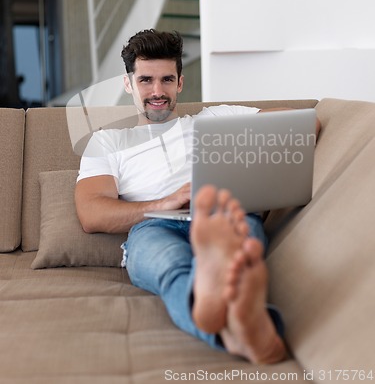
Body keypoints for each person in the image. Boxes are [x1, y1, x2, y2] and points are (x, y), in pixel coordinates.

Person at [75, 29, 316, 363]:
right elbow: (91, 213)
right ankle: (243, 327)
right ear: (128, 83)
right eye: (145, 80)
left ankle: (228, 321)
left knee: (230, 257)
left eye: (166, 80)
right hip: (154, 226)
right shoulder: (108, 141)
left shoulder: (216, 118)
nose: (157, 91)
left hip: (220, 213)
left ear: (180, 83)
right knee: (171, 267)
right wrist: (166, 202)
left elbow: (303, 126)